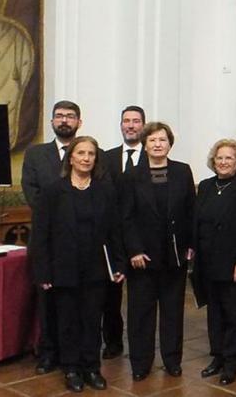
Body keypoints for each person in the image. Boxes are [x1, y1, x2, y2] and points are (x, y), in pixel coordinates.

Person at [30, 136, 125, 392]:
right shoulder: (52, 191)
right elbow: (40, 235)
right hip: (63, 269)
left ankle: (91, 368)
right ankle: (71, 368)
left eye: (91, 154)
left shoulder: (105, 190)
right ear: (70, 157)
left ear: (96, 159)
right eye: (80, 153)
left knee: (92, 320)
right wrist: (43, 271)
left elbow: (115, 231)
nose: (85, 158)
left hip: (95, 268)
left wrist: (118, 265)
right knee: (68, 321)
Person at [121, 122, 195, 381]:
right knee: (140, 313)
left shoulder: (182, 171)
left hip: (174, 255)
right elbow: (126, 217)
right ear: (144, 144)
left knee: (173, 312)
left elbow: (190, 212)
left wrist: (191, 246)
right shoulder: (131, 174)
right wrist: (134, 250)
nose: (157, 144)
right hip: (142, 257)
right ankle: (140, 363)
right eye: (152, 140)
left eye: (162, 139)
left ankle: (172, 360)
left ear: (169, 143)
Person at [21, 100, 83, 375]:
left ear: (79, 122)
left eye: (70, 116)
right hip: (46, 241)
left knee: (78, 301)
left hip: (81, 242)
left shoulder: (90, 152)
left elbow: (97, 193)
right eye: (59, 116)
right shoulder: (36, 154)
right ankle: (48, 353)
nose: (64, 120)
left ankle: (77, 353)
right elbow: (31, 191)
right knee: (46, 299)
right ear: (52, 122)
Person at [192, 140, 236, 386]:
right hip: (207, 261)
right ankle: (217, 357)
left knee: (232, 315)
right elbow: (197, 222)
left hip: (232, 263)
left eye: (229, 158)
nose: (223, 162)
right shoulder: (206, 186)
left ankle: (231, 363)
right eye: (219, 157)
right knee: (214, 313)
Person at [102, 105, 147, 360]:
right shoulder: (105, 158)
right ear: (121, 125)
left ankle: (141, 345)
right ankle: (113, 342)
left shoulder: (152, 157)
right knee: (110, 295)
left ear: (143, 125)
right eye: (126, 121)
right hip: (112, 238)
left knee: (141, 297)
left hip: (142, 239)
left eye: (136, 121)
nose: (130, 125)